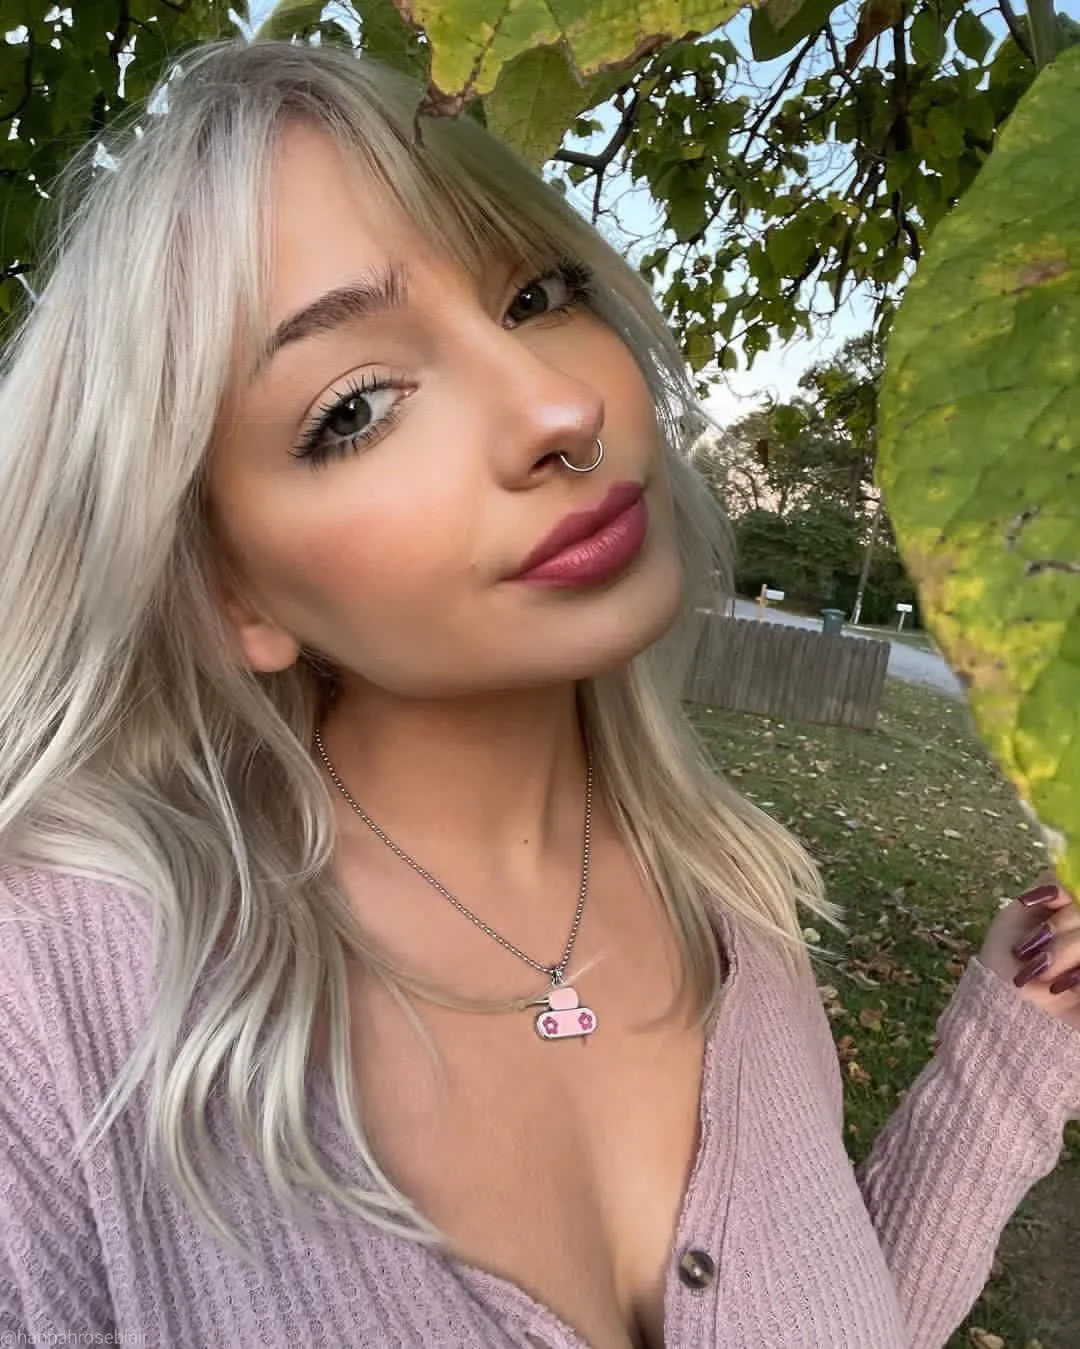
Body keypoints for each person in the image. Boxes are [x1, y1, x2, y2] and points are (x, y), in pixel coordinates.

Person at [0, 36, 1077, 1349]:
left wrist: (1014, 1041)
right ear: (229, 593)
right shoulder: (50, 1012)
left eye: (537, 295)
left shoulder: (740, 917)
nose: (562, 405)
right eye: (355, 407)